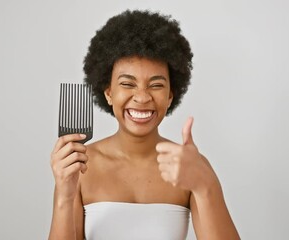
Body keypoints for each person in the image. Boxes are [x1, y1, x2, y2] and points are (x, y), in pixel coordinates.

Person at [48, 10, 240, 240]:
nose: (142, 97)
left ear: (170, 96)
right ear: (108, 92)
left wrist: (205, 184)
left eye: (156, 85)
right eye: (128, 84)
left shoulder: (187, 167)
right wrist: (64, 195)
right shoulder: (79, 165)